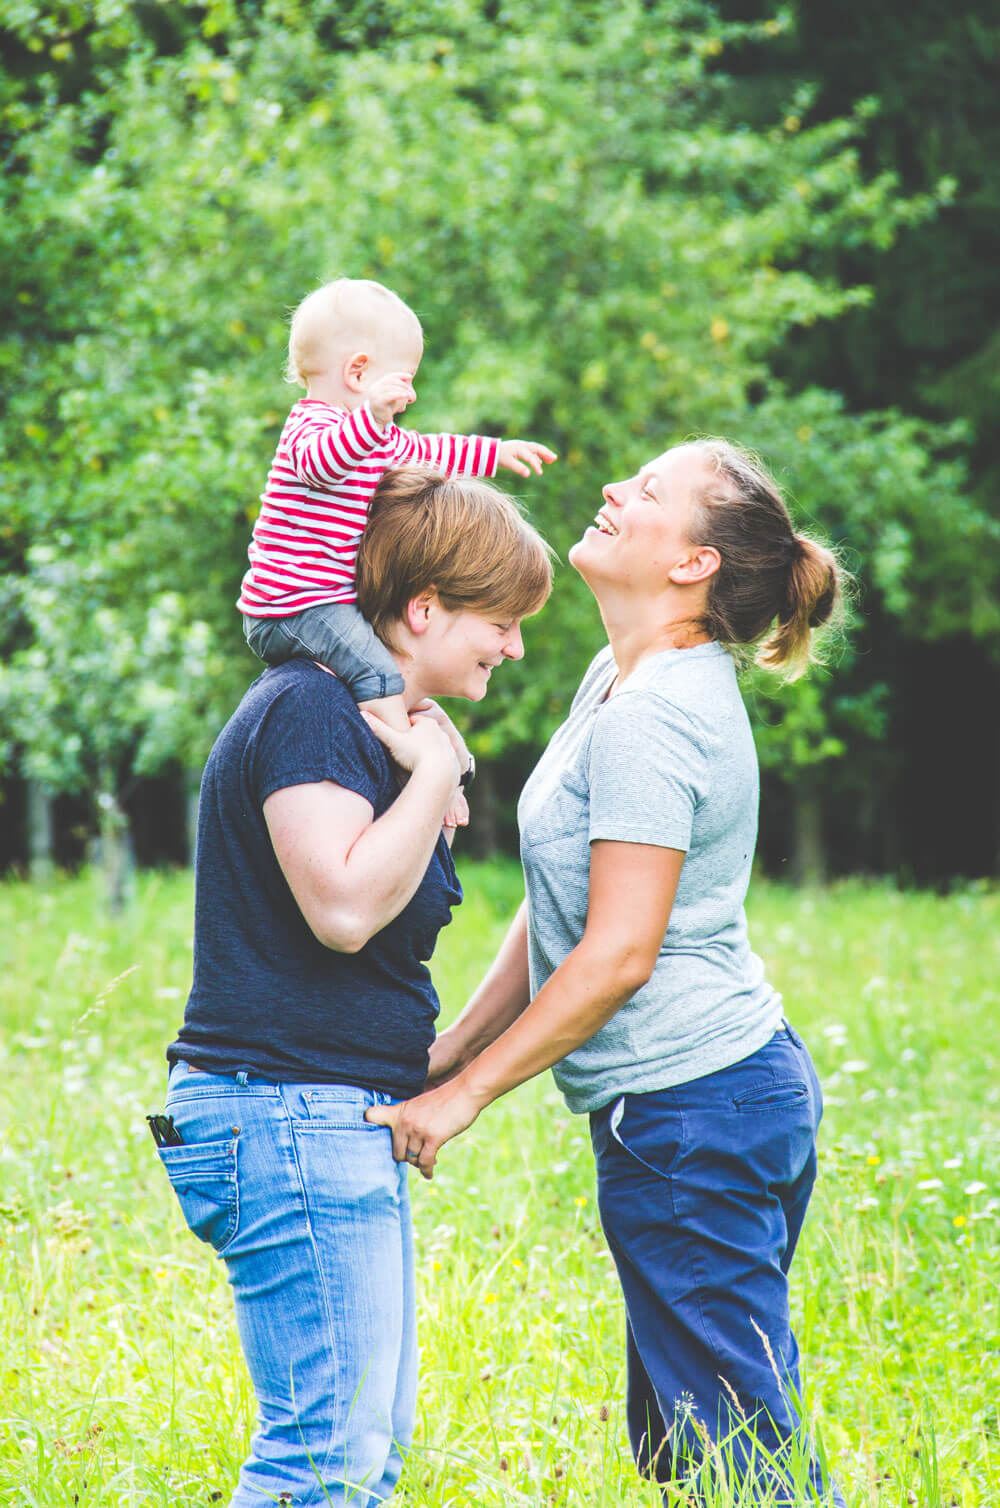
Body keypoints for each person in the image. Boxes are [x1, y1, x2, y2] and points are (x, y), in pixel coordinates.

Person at [367, 439, 847, 1505]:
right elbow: (561, 911)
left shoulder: (655, 716)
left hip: (694, 1112)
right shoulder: (621, 676)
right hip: (707, 1104)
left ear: (693, 564)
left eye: (649, 491)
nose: (612, 492)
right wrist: (442, 1051)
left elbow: (619, 954)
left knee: (738, 1456)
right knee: (691, 1442)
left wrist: (463, 1097)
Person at [153, 468, 552, 1507]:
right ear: (424, 608)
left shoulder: (366, 721)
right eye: (499, 621)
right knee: (324, 1458)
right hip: (283, 1111)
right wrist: (433, 779)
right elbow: (338, 906)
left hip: (312, 1114)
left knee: (360, 1454)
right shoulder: (311, 708)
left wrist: (435, 766)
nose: (511, 647)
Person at [237, 276, 557, 794]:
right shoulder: (310, 431)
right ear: (358, 372)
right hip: (292, 607)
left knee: (403, 690)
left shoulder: (373, 437)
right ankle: (419, 783)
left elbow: (430, 450)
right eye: (404, 380)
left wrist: (495, 452)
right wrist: (370, 418)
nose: (410, 394)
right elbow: (322, 465)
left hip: (328, 603)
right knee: (383, 681)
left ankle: (451, 769)